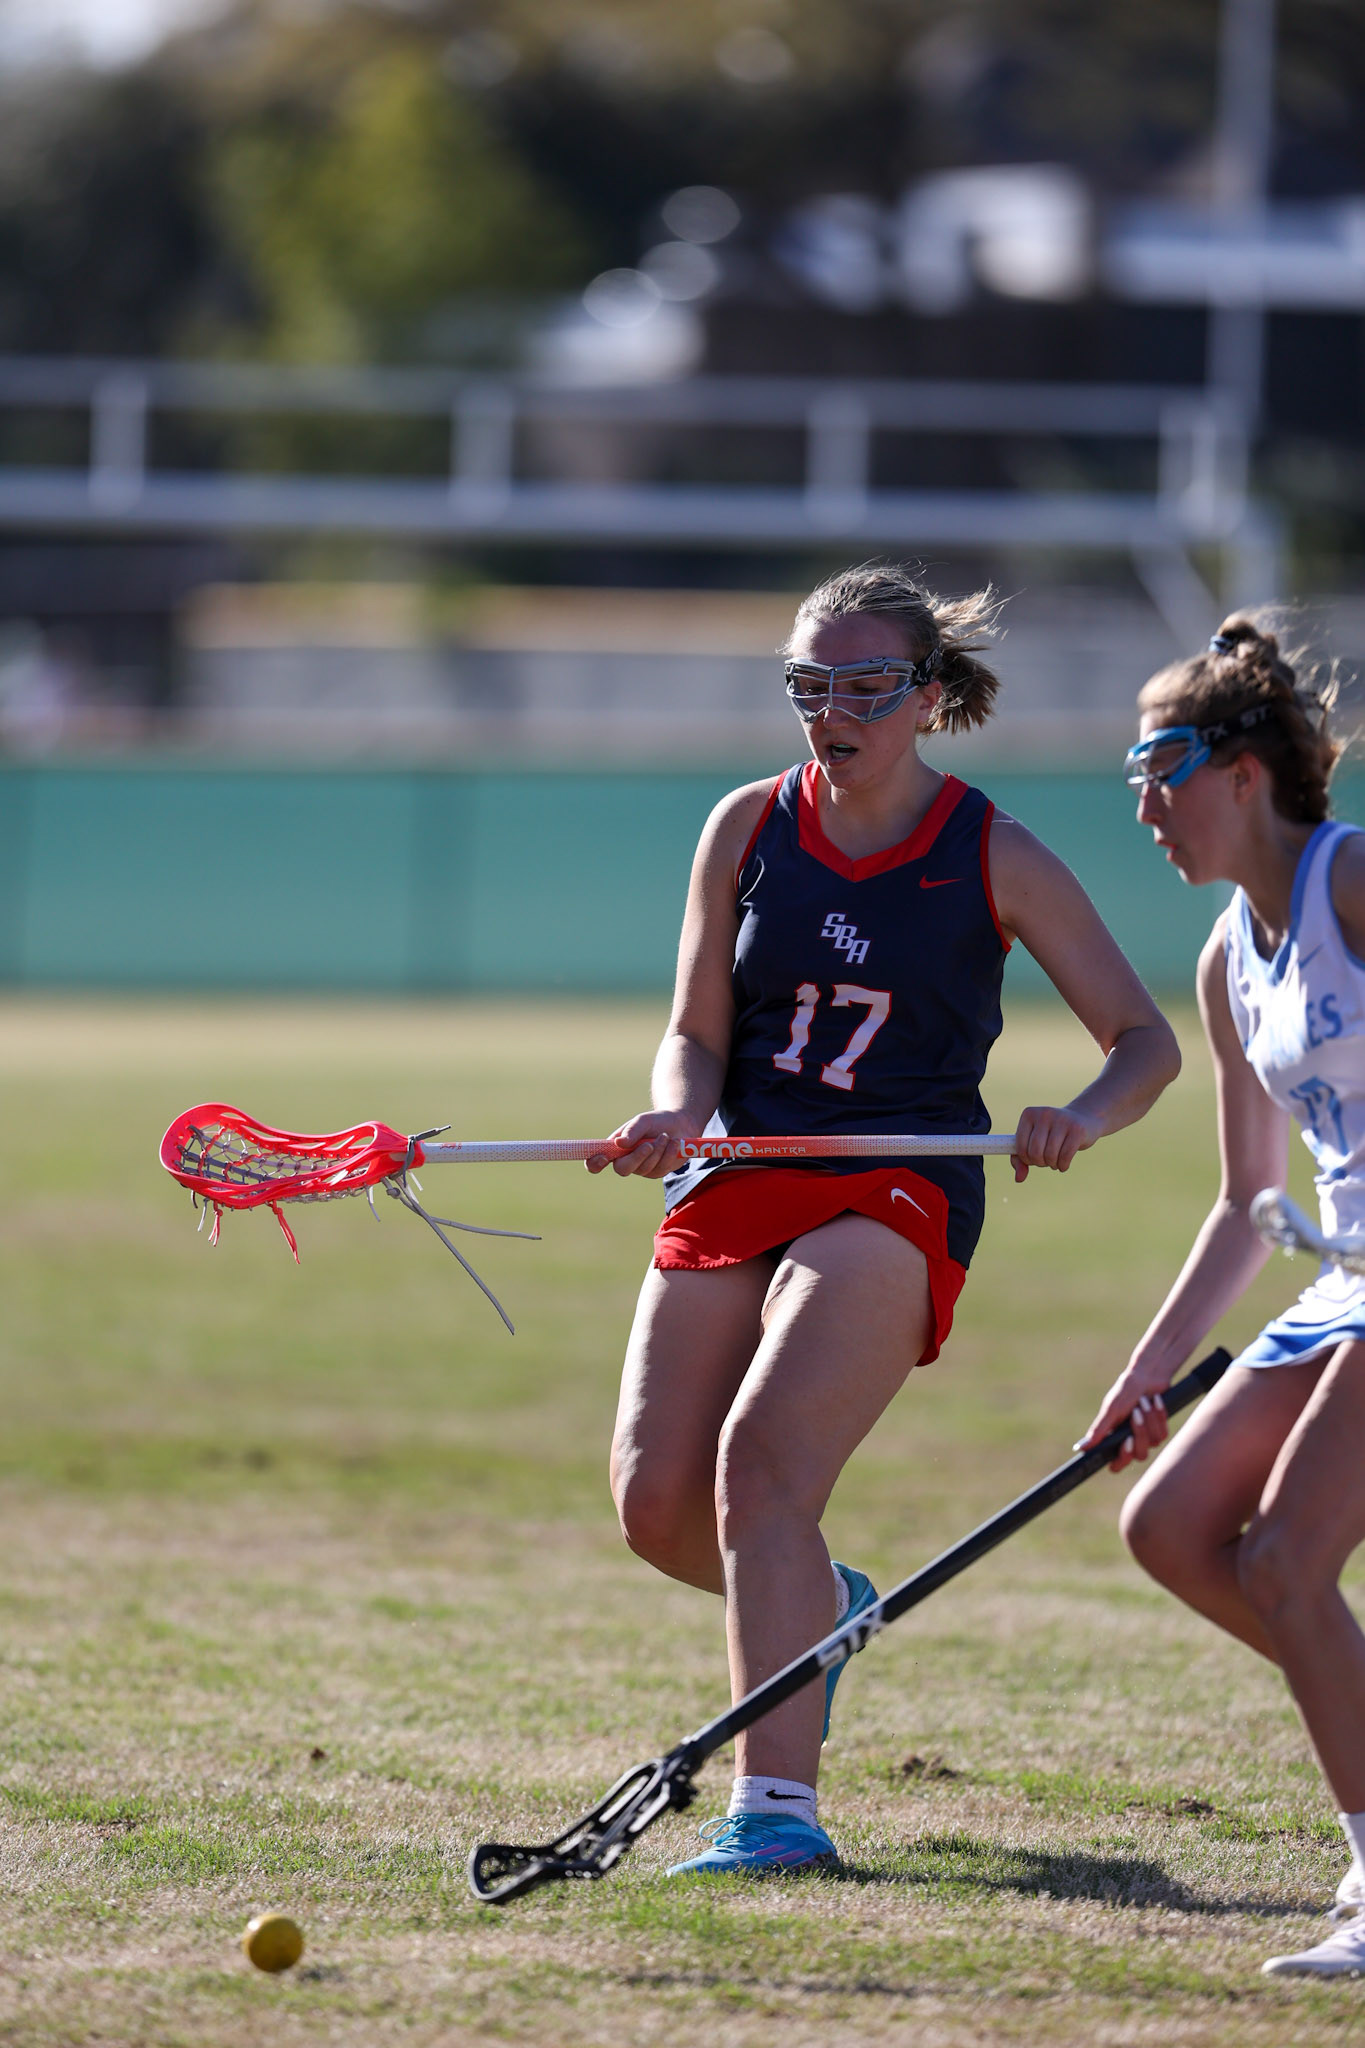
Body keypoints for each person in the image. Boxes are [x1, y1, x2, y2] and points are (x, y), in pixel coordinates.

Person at [589, 562, 1179, 1879]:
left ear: (923, 698)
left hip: (895, 1181)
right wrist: (677, 1111)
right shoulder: (744, 826)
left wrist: (1076, 1114)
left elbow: (1145, 1043)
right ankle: (832, 1607)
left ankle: (775, 1818)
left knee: (762, 1471)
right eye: (809, 685)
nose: (831, 711)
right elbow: (692, 1033)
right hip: (739, 1168)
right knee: (652, 1507)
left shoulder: (993, 853)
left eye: (862, 685)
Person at [1080, 615, 1365, 1978]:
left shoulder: (1350, 879)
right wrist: (1145, 1370)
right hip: (1342, 1277)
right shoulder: (1220, 961)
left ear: (1244, 771)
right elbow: (1238, 1200)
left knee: (1285, 1561)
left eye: (1160, 768)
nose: (1143, 805)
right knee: (1173, 1526)